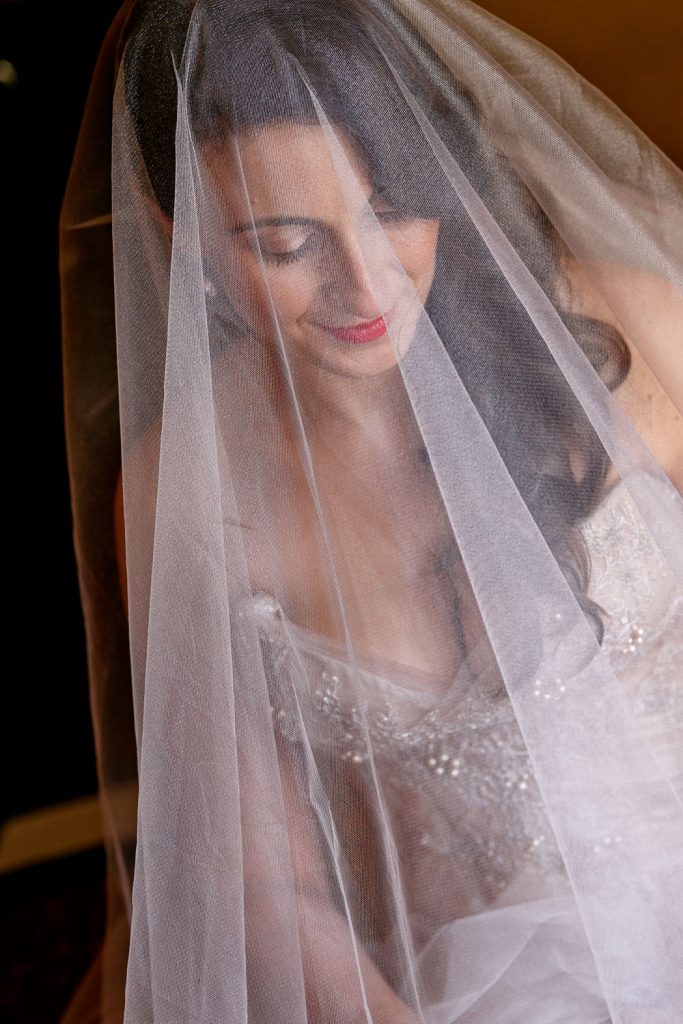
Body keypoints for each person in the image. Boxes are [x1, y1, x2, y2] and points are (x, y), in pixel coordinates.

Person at [60, 1, 682, 1021]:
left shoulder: (639, 335)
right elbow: (268, 886)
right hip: (476, 980)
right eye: (285, 242)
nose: (366, 282)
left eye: (391, 207)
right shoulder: (188, 494)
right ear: (183, 233)